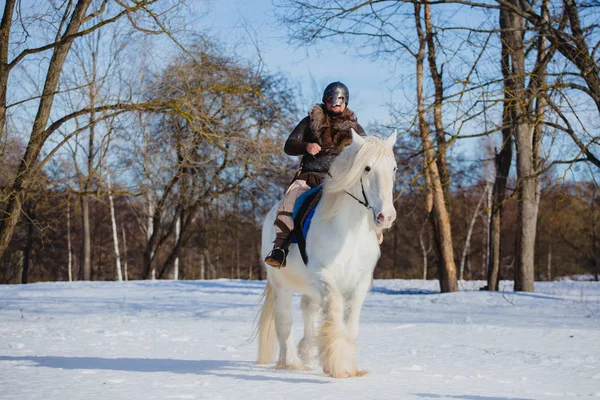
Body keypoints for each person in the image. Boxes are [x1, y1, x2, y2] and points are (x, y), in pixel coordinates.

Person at [264, 81, 367, 268]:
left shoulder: (355, 129)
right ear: (325, 100)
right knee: (291, 201)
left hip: (341, 179)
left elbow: (366, 152)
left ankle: (371, 238)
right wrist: (306, 146)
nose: (335, 104)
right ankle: (280, 247)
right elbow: (289, 145)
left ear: (346, 102)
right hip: (311, 176)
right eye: (331, 100)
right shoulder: (310, 122)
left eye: (339, 101)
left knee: (367, 199)